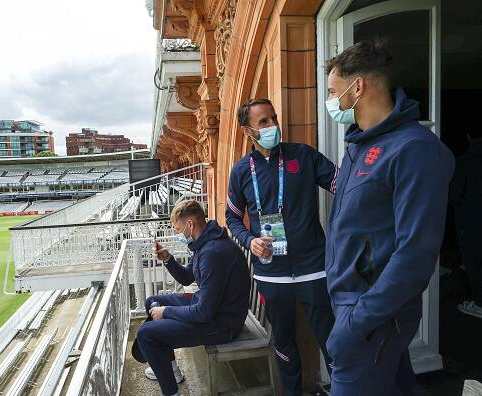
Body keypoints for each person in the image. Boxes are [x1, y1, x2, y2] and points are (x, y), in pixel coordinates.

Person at [323, 39, 454, 395]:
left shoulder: (415, 149)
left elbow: (416, 253)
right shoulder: (358, 146)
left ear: (358, 86)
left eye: (334, 92)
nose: (331, 102)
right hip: (353, 305)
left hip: (372, 315)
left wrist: (354, 324)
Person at [226, 98, 336, 395]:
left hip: (314, 268)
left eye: (274, 118)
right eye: (264, 122)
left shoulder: (304, 155)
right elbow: (232, 219)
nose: (273, 125)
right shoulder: (240, 172)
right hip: (271, 275)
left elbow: (345, 185)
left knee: (332, 343)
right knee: (285, 344)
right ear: (248, 131)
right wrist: (250, 241)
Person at [135, 200, 250, 396]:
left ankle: (172, 392)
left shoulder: (212, 253)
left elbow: (204, 313)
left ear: (190, 225)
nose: (178, 233)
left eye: (178, 228)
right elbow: (188, 278)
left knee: (147, 334)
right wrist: (168, 260)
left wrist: (166, 312)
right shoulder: (204, 242)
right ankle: (170, 370)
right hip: (212, 308)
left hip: (223, 325)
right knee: (152, 301)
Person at [451, 129, 482, 319]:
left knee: (474, 261)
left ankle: (481, 303)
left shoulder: (464, 161)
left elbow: (454, 195)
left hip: (472, 219)